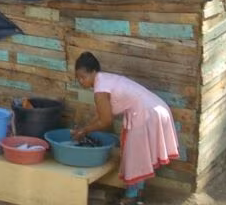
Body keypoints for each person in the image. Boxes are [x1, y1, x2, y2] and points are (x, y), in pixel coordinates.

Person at [72, 52, 179, 205]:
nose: (81, 81)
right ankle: (137, 193)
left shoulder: (100, 89)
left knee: (134, 157)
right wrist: (85, 127)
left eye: (83, 77)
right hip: (155, 108)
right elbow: (102, 115)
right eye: (78, 78)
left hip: (146, 114)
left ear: (94, 72)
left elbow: (106, 121)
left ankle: (131, 197)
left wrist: (85, 131)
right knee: (140, 156)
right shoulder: (104, 79)